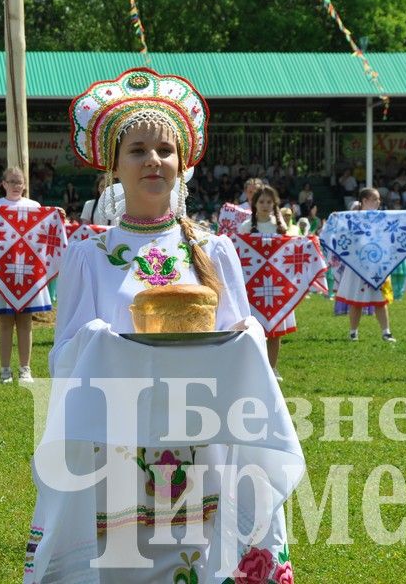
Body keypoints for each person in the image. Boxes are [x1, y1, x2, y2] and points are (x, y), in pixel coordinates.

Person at [29, 67, 294, 582]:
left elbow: (244, 333)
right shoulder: (91, 254)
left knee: (203, 556)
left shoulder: (213, 249)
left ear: (183, 163)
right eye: (138, 150)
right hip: (119, 446)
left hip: (203, 436)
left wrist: (248, 336)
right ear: (114, 167)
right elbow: (63, 359)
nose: (154, 160)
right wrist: (105, 343)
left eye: (165, 150)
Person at [0, 167, 49, 384]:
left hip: (28, 272)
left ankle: (25, 369)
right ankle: (4, 370)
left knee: (25, 322)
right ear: (3, 183)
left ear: (25, 184)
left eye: (19, 182)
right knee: (4, 322)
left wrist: (57, 216)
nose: (16, 185)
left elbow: (44, 236)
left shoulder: (35, 207)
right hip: (3, 273)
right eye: (11, 181)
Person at [239, 185, 293, 378]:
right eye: (261, 201)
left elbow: (288, 253)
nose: (265, 205)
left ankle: (272, 367)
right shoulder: (245, 227)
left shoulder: (280, 227)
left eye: (269, 202)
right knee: (256, 327)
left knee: (275, 328)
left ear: (274, 204)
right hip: (253, 286)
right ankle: (254, 367)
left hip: (276, 284)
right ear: (255, 204)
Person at [334, 188, 396, 342]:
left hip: (376, 266)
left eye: (378, 199)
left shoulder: (382, 218)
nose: (378, 202)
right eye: (375, 199)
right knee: (357, 300)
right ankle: (353, 332)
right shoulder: (352, 219)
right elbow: (344, 238)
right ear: (364, 201)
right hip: (357, 265)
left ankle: (386, 332)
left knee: (380, 300)